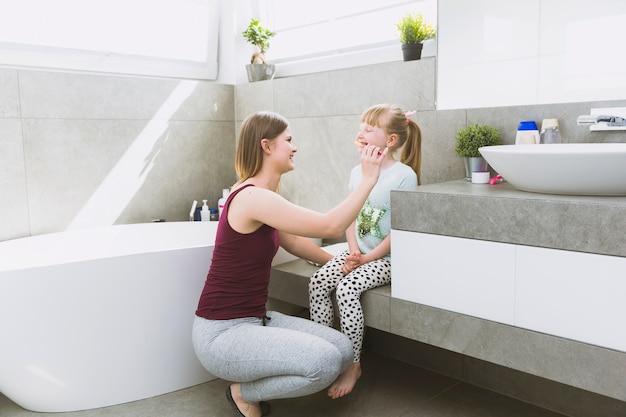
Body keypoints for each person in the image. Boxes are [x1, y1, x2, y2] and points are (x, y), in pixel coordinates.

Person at [192, 111, 387, 417]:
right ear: (267, 146)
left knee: (344, 350)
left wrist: (346, 262)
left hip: (255, 320)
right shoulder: (252, 197)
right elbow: (330, 227)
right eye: (289, 140)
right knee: (323, 365)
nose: (294, 147)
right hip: (223, 335)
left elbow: (295, 243)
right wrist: (368, 179)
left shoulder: (263, 196)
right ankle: (242, 393)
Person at [308, 104, 421, 399]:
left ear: (391, 141)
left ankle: (352, 364)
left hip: (386, 259)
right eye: (361, 127)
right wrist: (354, 252)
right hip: (358, 253)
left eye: (369, 129)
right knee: (318, 282)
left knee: (346, 289)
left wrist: (366, 259)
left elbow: (399, 231)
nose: (361, 133)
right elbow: (350, 215)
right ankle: (326, 352)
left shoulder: (404, 176)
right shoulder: (357, 171)